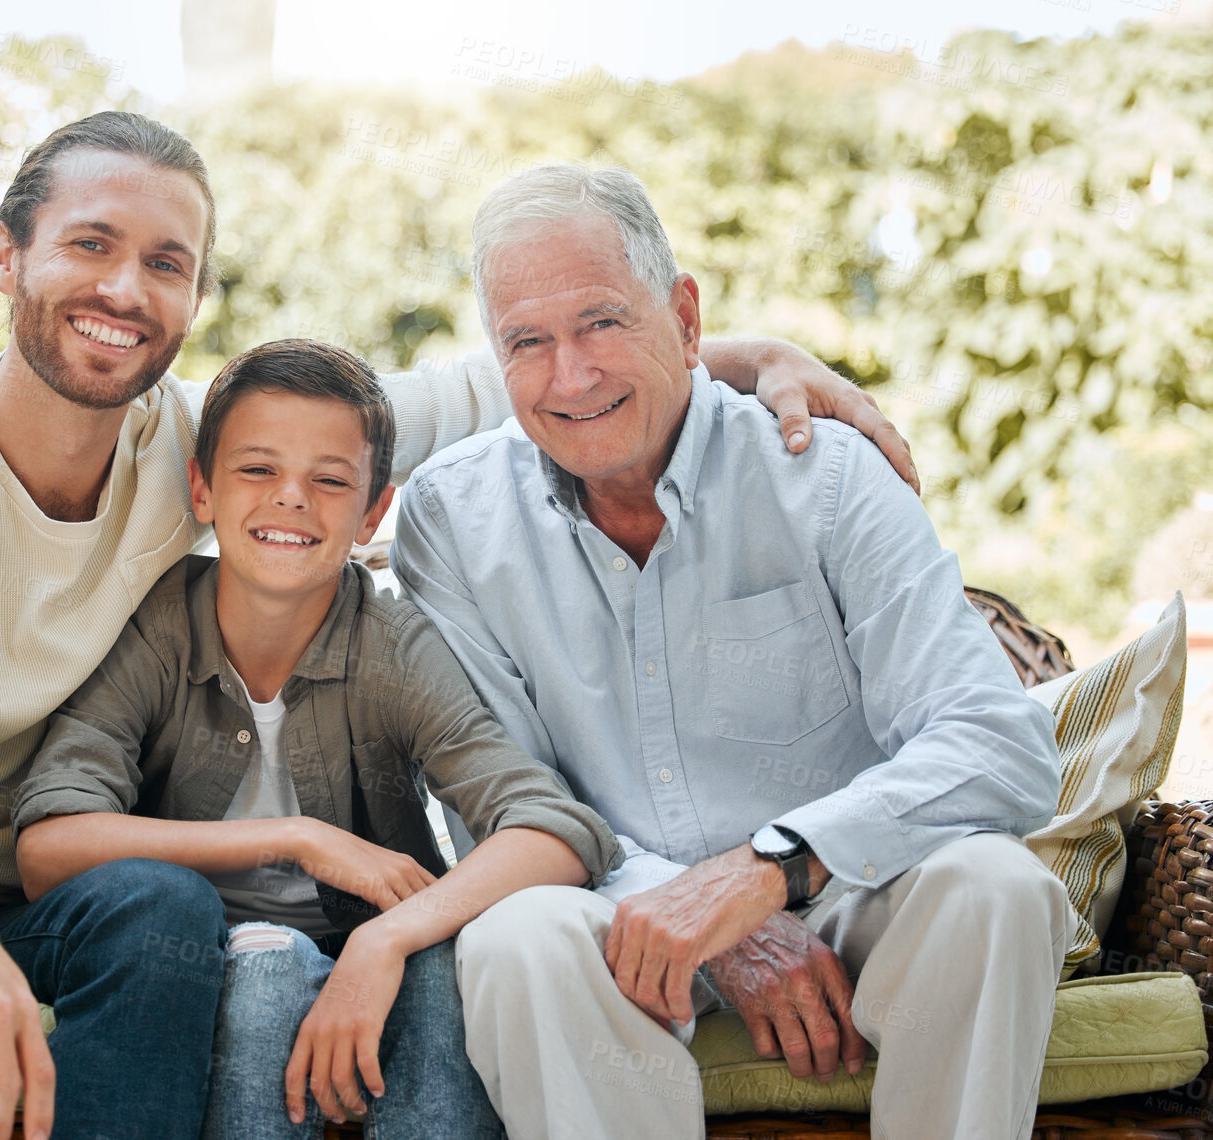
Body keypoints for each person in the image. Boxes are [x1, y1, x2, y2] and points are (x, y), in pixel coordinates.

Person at [0, 109, 918, 1140]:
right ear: (5, 255)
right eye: (89, 244)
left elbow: (507, 383)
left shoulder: (210, 454)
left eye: (166, 263)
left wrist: (745, 359)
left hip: (35, 897)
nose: (123, 289)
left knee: (157, 908)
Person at [392, 163, 1075, 1140]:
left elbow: (999, 745)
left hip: (853, 889)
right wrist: (702, 921)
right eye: (527, 342)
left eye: (602, 323)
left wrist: (766, 873)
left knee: (998, 889)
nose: (570, 376)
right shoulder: (451, 520)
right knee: (517, 936)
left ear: (683, 315)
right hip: (613, 914)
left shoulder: (827, 473)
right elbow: (503, 807)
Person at [12, 338, 621, 1139]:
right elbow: (46, 848)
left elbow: (558, 830)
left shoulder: (392, 644)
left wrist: (389, 938)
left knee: (443, 974)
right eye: (257, 470)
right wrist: (300, 838)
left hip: (372, 939)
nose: (291, 499)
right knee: (267, 970)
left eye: (331, 480)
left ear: (374, 511)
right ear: (201, 488)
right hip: (207, 953)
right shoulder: (158, 625)